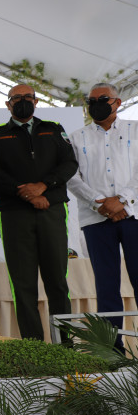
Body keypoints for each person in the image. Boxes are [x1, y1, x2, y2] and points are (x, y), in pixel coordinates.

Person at [0, 84, 78, 341]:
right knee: (23, 285)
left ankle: (65, 347)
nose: (23, 101)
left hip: (51, 210)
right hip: (14, 214)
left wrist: (43, 188)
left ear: (36, 101)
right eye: (17, 98)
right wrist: (26, 194)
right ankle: (34, 349)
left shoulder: (53, 129)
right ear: (8, 104)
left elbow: (69, 164)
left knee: (57, 283)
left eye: (28, 97)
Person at [68, 83, 138, 350]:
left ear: (117, 102)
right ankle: (113, 353)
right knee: (106, 287)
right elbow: (71, 177)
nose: (95, 104)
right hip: (96, 220)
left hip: (133, 215)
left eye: (103, 99)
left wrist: (122, 201)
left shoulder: (135, 129)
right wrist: (100, 204)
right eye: (91, 101)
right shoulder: (76, 137)